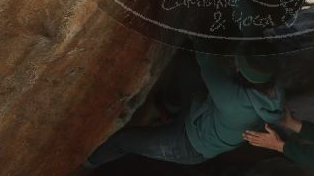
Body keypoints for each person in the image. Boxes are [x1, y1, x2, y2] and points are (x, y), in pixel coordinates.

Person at [85, 43, 284, 167]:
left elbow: (206, 60)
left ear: (242, 72)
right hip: (199, 115)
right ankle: (169, 108)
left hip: (189, 145)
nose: (235, 63)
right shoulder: (271, 84)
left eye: (238, 63)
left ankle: (84, 164)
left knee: (123, 140)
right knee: (186, 62)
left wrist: (192, 28)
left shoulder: (233, 100)